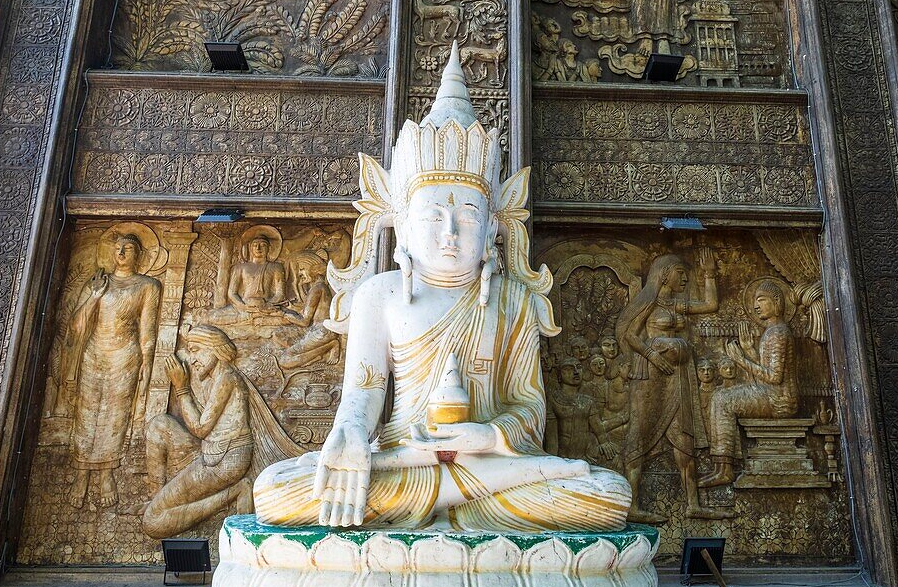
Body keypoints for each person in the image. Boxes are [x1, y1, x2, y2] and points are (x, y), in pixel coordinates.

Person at [252, 44, 630, 531]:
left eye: (466, 216)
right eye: (433, 216)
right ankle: (456, 507)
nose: (450, 232)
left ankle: (447, 505)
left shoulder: (513, 299)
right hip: (402, 464)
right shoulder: (380, 295)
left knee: (605, 495)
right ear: (403, 227)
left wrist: (486, 437)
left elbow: (529, 407)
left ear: (494, 228)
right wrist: (347, 433)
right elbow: (364, 390)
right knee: (277, 490)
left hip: (490, 466)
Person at [143, 325, 303, 537]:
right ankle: (160, 499)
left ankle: (234, 493)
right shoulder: (215, 378)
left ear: (215, 349)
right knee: (160, 424)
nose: (192, 359)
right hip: (214, 454)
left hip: (224, 462)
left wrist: (181, 387)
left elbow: (200, 428)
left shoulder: (227, 378)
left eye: (196, 350)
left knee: (152, 523)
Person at [615, 250, 724, 522]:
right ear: (664, 275)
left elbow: (711, 305)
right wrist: (652, 354)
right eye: (681, 273)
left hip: (677, 376)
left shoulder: (677, 305)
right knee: (639, 432)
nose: (685, 279)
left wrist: (709, 273)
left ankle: (692, 504)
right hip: (650, 376)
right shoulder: (649, 303)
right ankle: (632, 505)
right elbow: (629, 334)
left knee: (683, 436)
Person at [66, 233, 161, 509]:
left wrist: (146, 363)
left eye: (128, 248)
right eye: (118, 247)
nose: (121, 252)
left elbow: (147, 331)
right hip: (95, 352)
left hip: (125, 356)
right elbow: (77, 325)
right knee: (86, 412)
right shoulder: (99, 282)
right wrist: (95, 296)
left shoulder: (147, 286)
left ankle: (107, 473)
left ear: (139, 255)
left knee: (116, 414)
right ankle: (82, 473)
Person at [698, 280, 798, 487]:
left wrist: (741, 360)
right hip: (770, 393)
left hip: (778, 399)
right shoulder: (772, 331)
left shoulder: (778, 332)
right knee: (720, 396)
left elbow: (774, 378)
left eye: (761, 300)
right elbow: (766, 374)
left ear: (777, 302)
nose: (756, 306)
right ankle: (721, 466)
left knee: (723, 400)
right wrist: (749, 350)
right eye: (754, 301)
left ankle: (725, 469)